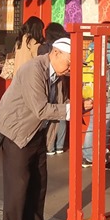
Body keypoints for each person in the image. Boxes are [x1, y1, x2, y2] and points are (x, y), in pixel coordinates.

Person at [0, 37, 92, 220]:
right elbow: (41, 109)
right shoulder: (33, 70)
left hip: (37, 133)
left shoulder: (60, 75)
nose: (71, 68)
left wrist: (81, 105)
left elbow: (63, 105)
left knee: (38, 185)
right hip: (17, 133)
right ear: (56, 53)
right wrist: (74, 109)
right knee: (18, 188)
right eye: (70, 62)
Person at [80, 27, 110, 170]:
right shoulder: (108, 46)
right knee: (105, 124)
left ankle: (87, 156)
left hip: (93, 89)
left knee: (93, 123)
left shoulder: (91, 45)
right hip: (107, 89)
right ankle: (99, 158)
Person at [37, 22, 68, 155]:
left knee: (50, 112)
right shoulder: (65, 47)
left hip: (48, 84)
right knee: (62, 110)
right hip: (61, 83)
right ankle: (59, 145)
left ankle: (49, 146)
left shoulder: (43, 48)